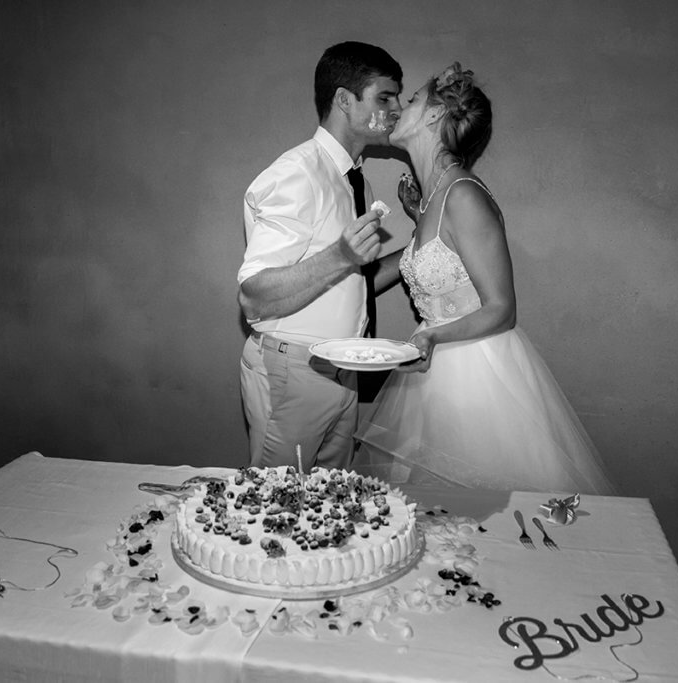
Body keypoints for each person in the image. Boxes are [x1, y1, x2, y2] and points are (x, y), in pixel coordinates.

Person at [354, 63, 616, 495]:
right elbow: (447, 266)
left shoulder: (464, 195)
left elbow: (501, 309)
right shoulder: (435, 197)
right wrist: (417, 218)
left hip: (476, 373)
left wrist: (433, 338)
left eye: (414, 100)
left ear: (437, 116)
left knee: (484, 508)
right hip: (433, 375)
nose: (401, 107)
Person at [238, 42, 405, 470]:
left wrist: (423, 244)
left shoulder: (356, 182)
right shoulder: (298, 174)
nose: (397, 109)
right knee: (276, 510)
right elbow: (254, 298)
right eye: (385, 97)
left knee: (330, 511)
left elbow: (354, 283)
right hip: (293, 372)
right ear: (345, 100)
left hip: (342, 369)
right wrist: (341, 255)